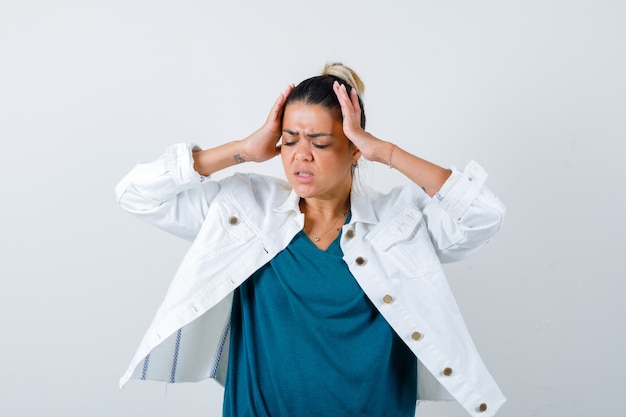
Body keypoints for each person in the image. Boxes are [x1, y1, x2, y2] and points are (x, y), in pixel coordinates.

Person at [115, 63, 506, 417]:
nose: (301, 155)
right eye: (289, 140)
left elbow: (482, 215)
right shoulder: (246, 210)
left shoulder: (399, 223)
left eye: (319, 143)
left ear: (355, 149)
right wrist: (242, 151)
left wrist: (386, 152)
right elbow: (136, 194)